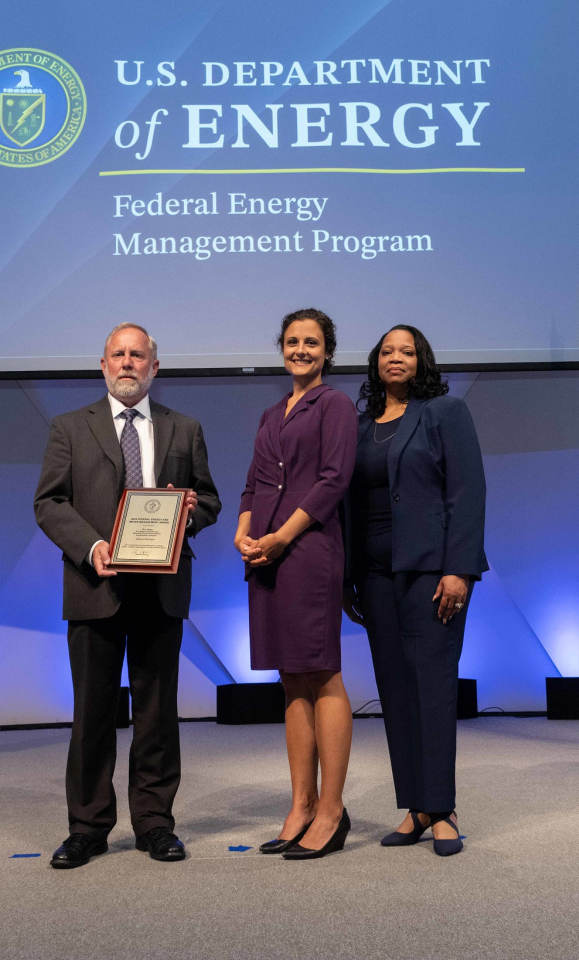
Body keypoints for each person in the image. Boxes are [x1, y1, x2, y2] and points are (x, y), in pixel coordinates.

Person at [34, 322, 221, 868]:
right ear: (102, 364)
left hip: (160, 592)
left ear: (154, 368)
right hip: (95, 586)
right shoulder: (70, 427)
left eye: (138, 355)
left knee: (158, 714)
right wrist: (90, 546)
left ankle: (155, 823)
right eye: (118, 354)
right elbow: (49, 503)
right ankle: (88, 827)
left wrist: (186, 516)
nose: (127, 363)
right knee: (92, 713)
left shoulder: (184, 428)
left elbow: (208, 499)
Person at [343, 324, 487, 857]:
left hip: (432, 574)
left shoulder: (444, 412)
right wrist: (345, 578)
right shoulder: (360, 427)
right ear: (375, 362)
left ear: (421, 360)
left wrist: (459, 569)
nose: (396, 358)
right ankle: (416, 807)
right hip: (375, 574)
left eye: (407, 351)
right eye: (387, 351)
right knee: (396, 691)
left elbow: (467, 492)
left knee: (432, 687)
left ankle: (443, 807)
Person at [236, 308, 359, 860]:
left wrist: (282, 536)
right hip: (265, 555)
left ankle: (332, 810)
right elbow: (253, 483)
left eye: (311, 342)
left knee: (322, 674)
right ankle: (301, 804)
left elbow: (334, 480)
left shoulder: (334, 405)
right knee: (291, 679)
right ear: (281, 348)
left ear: (327, 351)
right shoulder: (269, 413)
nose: (301, 350)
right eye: (292, 341)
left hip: (308, 552)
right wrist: (246, 533)